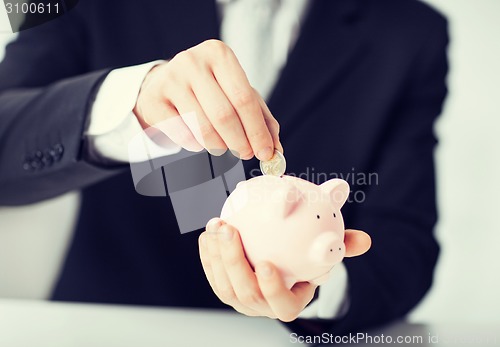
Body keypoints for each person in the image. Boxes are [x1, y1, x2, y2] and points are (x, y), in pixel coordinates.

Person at [0, 0, 448, 336]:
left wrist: (314, 283)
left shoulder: (410, 32)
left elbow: (405, 249)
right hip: (104, 329)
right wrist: (130, 103)